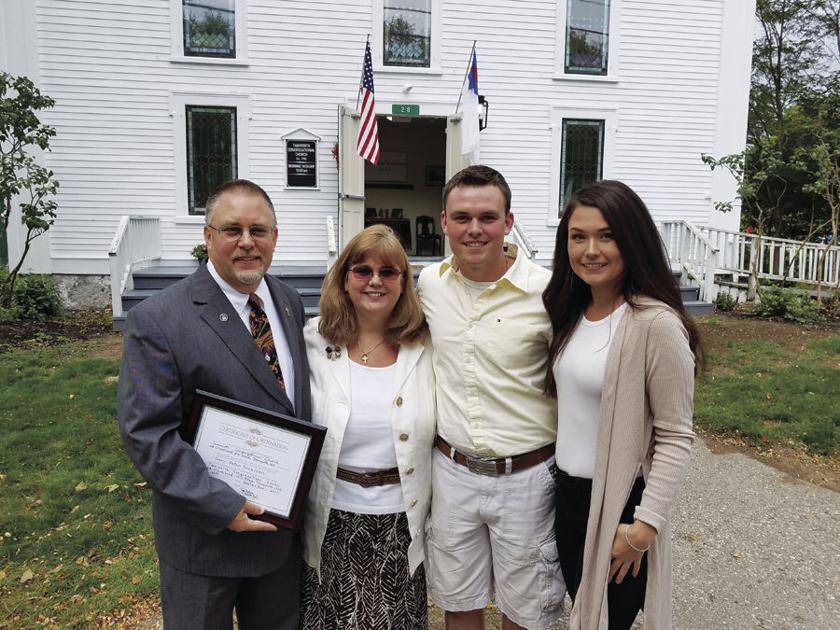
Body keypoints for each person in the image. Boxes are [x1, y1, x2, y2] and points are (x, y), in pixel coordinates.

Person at [117, 179, 311, 629]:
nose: (247, 242)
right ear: (208, 237)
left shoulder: (286, 302)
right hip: (204, 540)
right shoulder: (159, 319)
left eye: (259, 230)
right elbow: (147, 433)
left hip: (277, 540)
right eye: (232, 230)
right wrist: (221, 505)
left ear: (275, 238)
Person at [542, 180, 701, 630]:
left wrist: (644, 527)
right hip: (569, 498)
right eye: (578, 237)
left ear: (632, 239)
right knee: (583, 612)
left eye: (606, 235)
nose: (590, 250)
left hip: (620, 506)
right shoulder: (572, 313)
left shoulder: (655, 324)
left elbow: (675, 435)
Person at [417, 165, 564, 630]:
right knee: (458, 601)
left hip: (526, 477)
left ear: (508, 221)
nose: (474, 229)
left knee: (526, 610)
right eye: (462, 217)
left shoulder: (549, 294)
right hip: (452, 473)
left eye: (487, 217)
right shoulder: (430, 285)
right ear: (444, 221)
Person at [301, 225, 434, 629]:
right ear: (344, 278)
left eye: (388, 272)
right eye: (362, 270)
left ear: (403, 282)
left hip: (400, 520)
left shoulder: (426, 346)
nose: (375, 281)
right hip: (332, 519)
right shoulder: (311, 340)